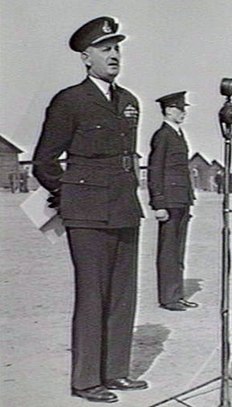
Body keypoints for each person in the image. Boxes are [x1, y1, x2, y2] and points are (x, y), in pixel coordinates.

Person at [32, 16, 148, 403]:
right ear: (86, 57)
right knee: (92, 294)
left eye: (117, 47)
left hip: (125, 210)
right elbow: (44, 162)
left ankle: (116, 372)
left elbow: (127, 159)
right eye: (105, 48)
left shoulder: (130, 102)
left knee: (122, 295)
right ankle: (85, 381)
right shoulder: (69, 101)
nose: (114, 55)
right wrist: (70, 198)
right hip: (87, 215)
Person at [147, 91, 198, 311]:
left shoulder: (178, 134)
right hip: (169, 201)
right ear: (169, 110)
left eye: (184, 109)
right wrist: (158, 203)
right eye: (180, 109)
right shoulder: (163, 135)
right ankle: (168, 298)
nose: (184, 113)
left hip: (181, 199)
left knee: (178, 250)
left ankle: (177, 295)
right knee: (168, 250)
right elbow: (155, 170)